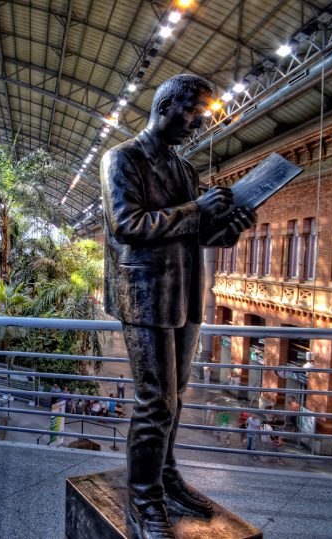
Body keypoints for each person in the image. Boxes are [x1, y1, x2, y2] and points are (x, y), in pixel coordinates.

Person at [101, 73, 257, 538]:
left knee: (175, 398)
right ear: (166, 106)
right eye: (193, 113)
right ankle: (143, 497)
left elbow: (197, 233)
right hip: (145, 295)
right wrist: (198, 210)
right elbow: (127, 223)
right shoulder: (122, 158)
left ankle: (166, 477)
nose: (196, 124)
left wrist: (231, 226)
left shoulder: (184, 170)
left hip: (185, 295)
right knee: (155, 401)